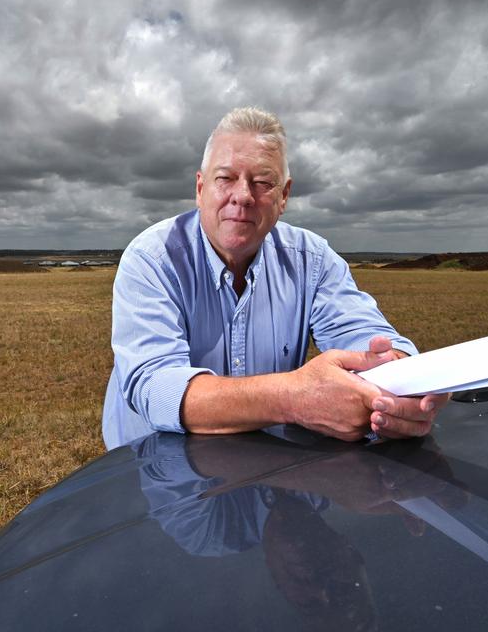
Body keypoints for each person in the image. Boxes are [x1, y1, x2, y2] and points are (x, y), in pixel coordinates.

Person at [102, 107, 450, 449]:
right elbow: (155, 388)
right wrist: (293, 398)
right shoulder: (152, 258)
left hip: (261, 468)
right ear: (200, 187)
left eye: (263, 182)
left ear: (284, 196)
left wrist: (402, 380)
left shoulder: (312, 260)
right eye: (225, 178)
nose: (242, 196)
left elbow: (368, 338)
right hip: (151, 470)